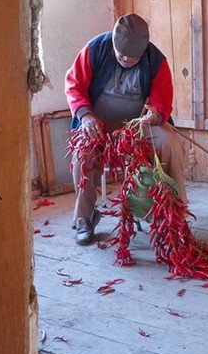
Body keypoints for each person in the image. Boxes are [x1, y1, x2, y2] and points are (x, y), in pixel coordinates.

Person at [64, 13, 177, 245]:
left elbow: (162, 101)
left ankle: (173, 212)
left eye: (132, 57)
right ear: (114, 44)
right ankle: (85, 217)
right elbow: (74, 86)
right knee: (83, 155)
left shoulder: (156, 61)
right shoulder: (95, 49)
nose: (126, 59)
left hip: (136, 126)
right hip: (98, 124)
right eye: (121, 54)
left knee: (168, 141)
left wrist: (154, 114)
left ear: (143, 51)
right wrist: (85, 116)